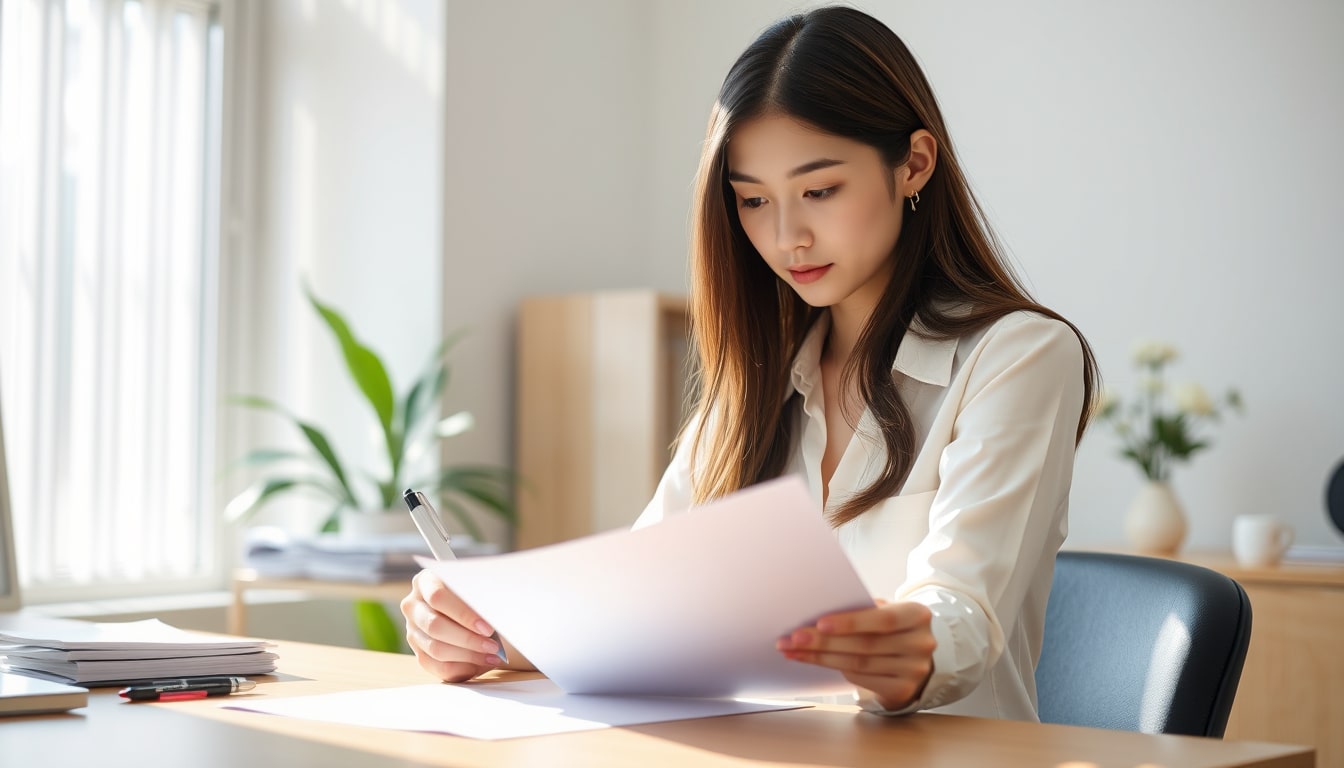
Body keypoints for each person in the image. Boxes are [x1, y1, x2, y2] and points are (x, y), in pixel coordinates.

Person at [401, 5, 1098, 722]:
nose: (787, 236)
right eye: (753, 201)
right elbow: (630, 606)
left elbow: (963, 610)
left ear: (913, 163)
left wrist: (908, 645)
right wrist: (486, 632)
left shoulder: (1019, 356)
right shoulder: (758, 381)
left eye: (821, 191)